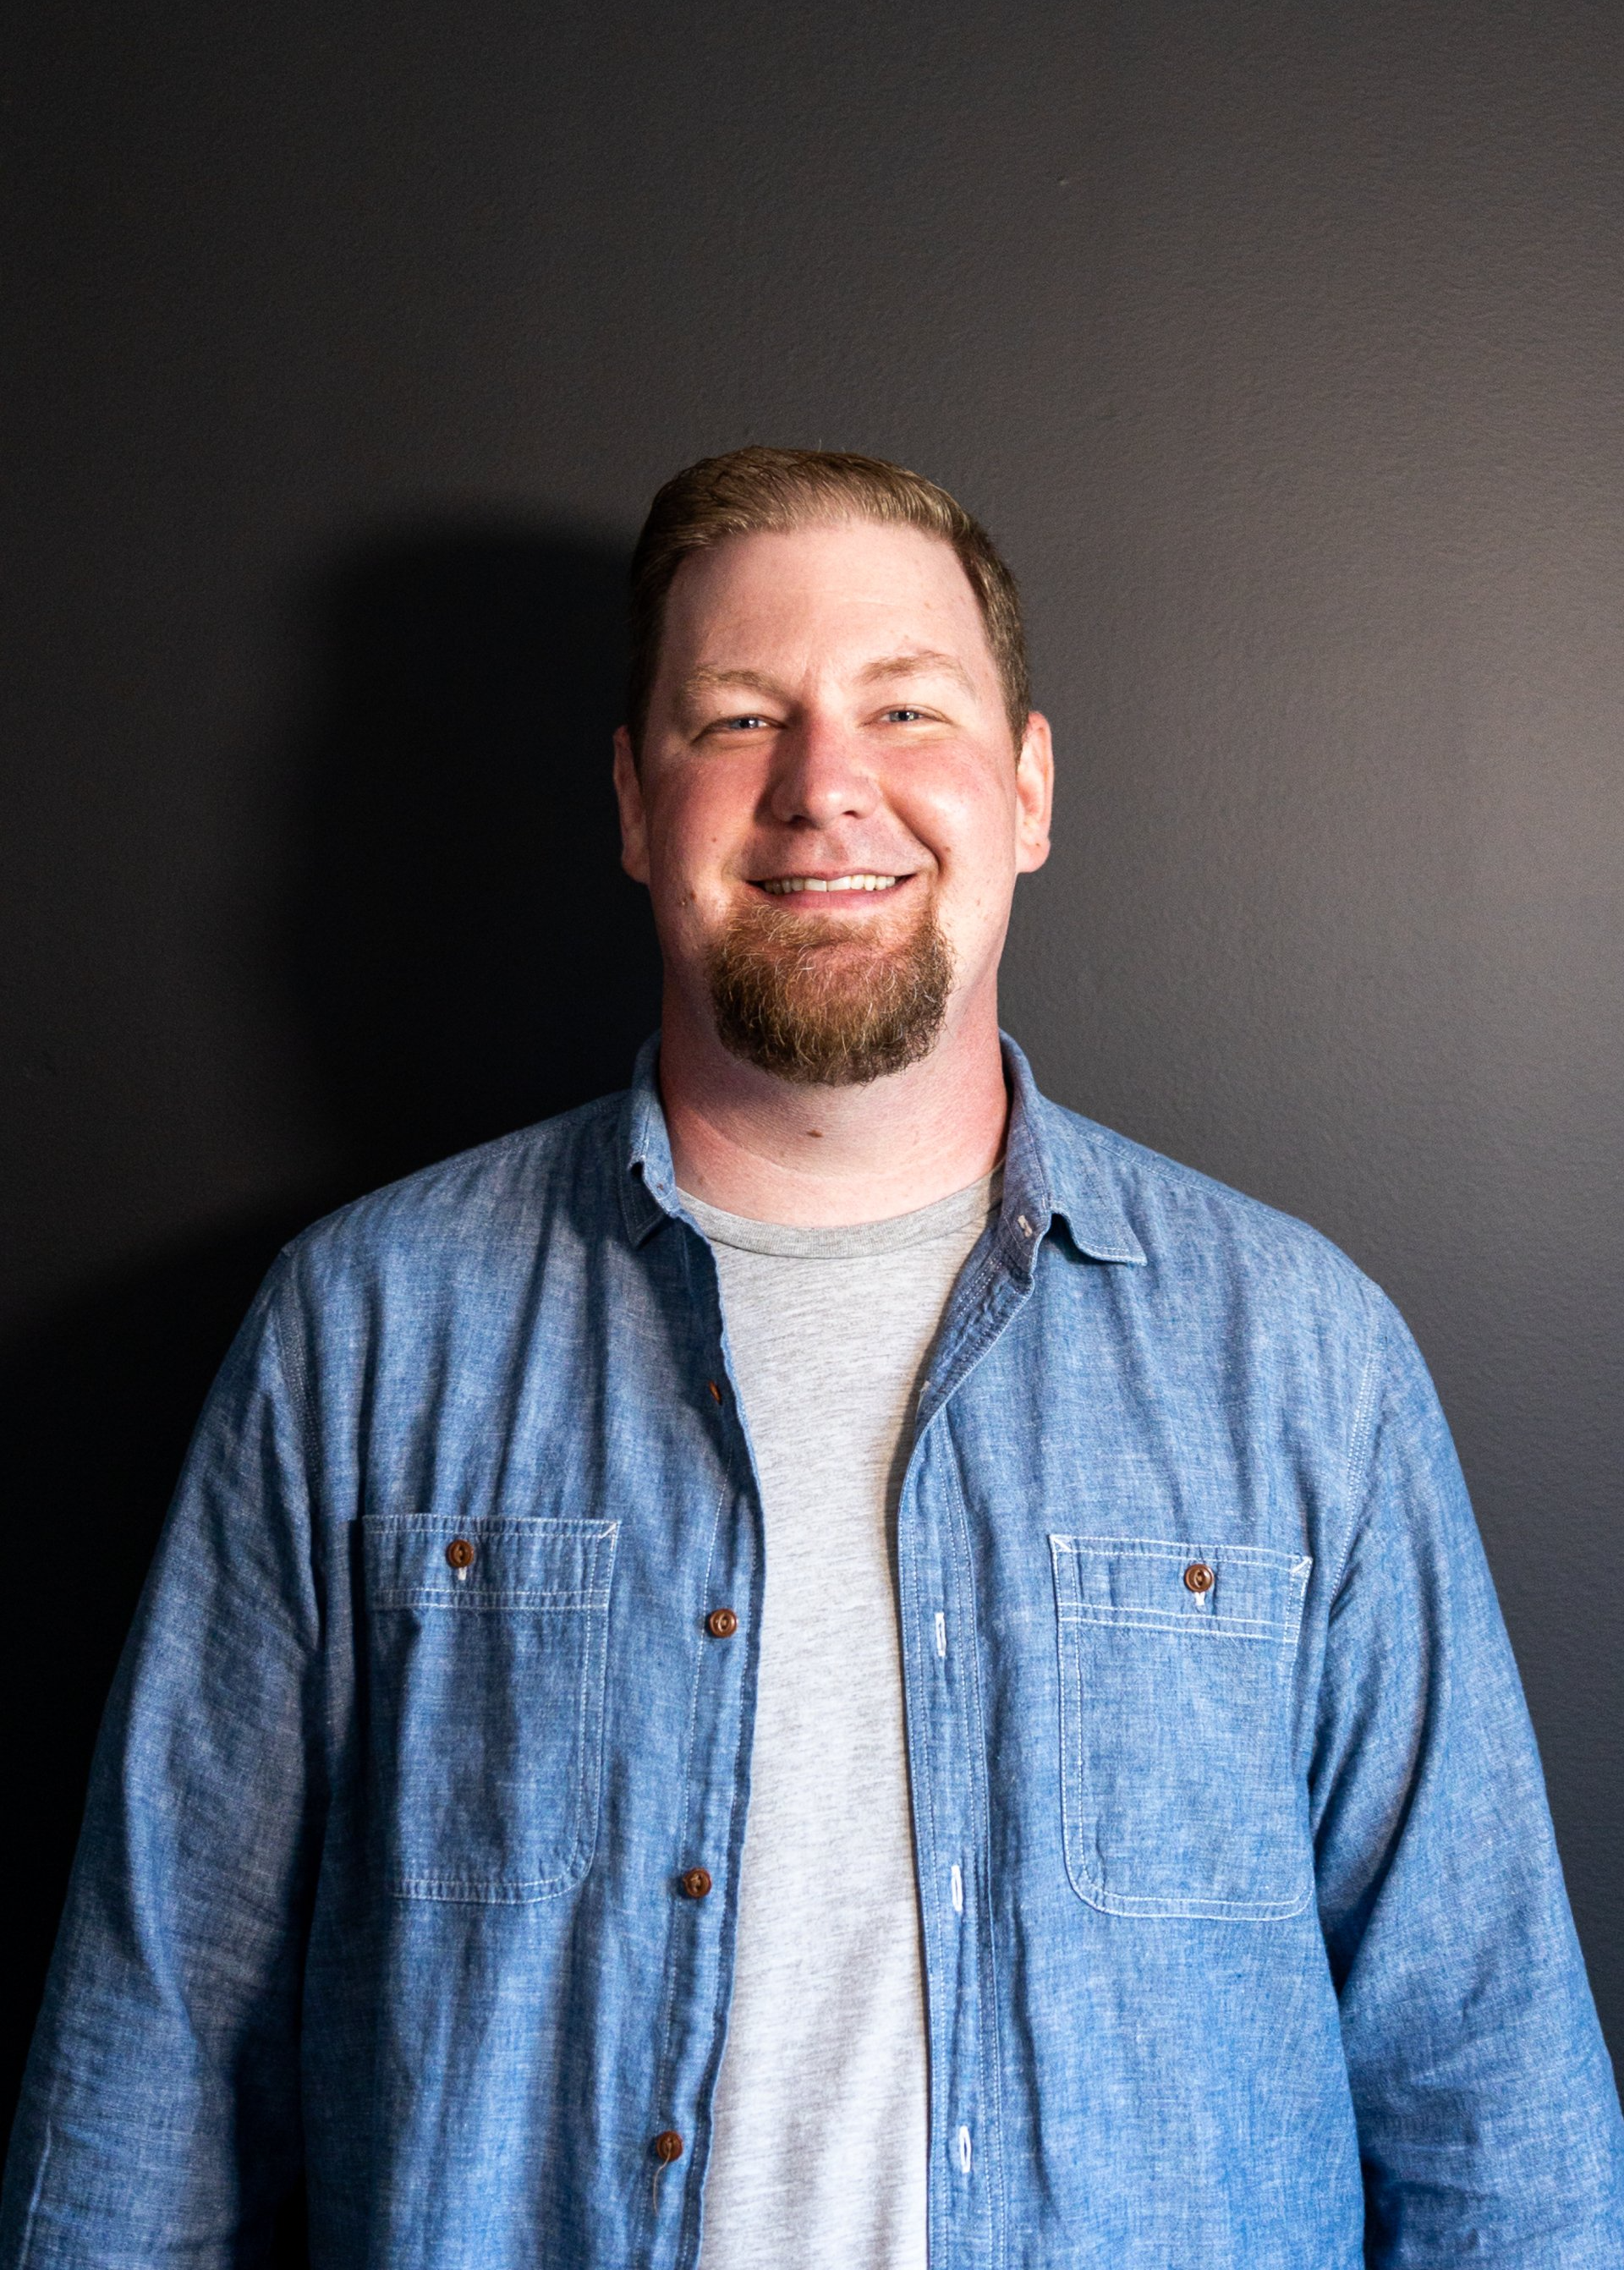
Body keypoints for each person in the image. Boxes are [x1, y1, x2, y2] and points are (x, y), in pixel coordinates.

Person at [3, 446, 1621, 2270]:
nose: (824, 787)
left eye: (906, 707)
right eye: (738, 717)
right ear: (634, 801)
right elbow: (149, 2072)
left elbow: (1492, 2100)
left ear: (1027, 788)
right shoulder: (362, 1338)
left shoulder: (1303, 1361)